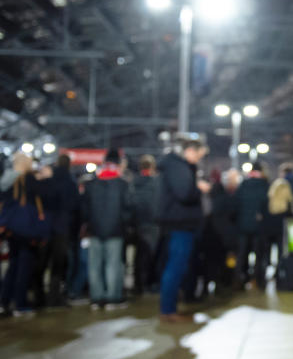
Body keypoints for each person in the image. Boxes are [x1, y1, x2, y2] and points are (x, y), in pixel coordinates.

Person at [155, 137, 210, 322]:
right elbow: (185, 192)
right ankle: (168, 309)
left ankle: (169, 307)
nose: (198, 160)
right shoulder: (177, 167)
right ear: (190, 151)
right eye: (199, 156)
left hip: (179, 221)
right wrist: (198, 188)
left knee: (176, 265)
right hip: (180, 222)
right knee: (176, 266)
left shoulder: (175, 166)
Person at [0, 153, 53, 317]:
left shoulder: (6, 180)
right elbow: (46, 195)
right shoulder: (27, 180)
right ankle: (20, 304)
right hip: (25, 230)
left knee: (13, 266)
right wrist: (47, 177)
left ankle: (3, 301)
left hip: (10, 228)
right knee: (23, 267)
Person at [81, 149, 133, 311]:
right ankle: (113, 298)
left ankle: (96, 298)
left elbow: (84, 209)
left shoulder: (91, 184)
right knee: (113, 265)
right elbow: (128, 208)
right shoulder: (122, 184)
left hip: (95, 230)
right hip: (115, 230)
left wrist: (89, 224)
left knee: (94, 265)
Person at [33, 154, 78, 308]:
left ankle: (39, 297)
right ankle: (55, 297)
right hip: (63, 228)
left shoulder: (47, 181)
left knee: (41, 263)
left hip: (45, 227)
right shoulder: (70, 183)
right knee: (58, 266)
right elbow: (74, 206)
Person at [233, 161, 268, 288]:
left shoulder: (243, 184)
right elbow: (267, 205)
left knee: (242, 254)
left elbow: (236, 203)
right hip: (259, 226)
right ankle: (258, 280)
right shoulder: (264, 185)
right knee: (259, 254)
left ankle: (239, 279)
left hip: (242, 225)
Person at [131, 154, 162, 294]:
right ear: (152, 167)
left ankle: (138, 284)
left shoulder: (133, 183)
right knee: (152, 255)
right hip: (153, 224)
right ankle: (149, 283)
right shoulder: (156, 183)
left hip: (137, 224)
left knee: (139, 255)